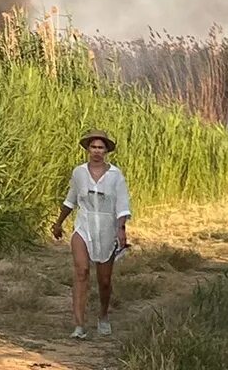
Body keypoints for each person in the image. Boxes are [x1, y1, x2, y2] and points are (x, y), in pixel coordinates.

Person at [51, 129, 132, 340]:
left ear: (106, 151)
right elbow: (71, 199)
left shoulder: (116, 175)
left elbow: (122, 205)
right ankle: (79, 325)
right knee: (81, 271)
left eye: (101, 147)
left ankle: (103, 315)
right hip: (84, 224)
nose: (97, 151)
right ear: (88, 149)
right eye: (93, 147)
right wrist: (59, 223)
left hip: (107, 228)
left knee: (104, 280)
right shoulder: (79, 173)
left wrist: (121, 229)